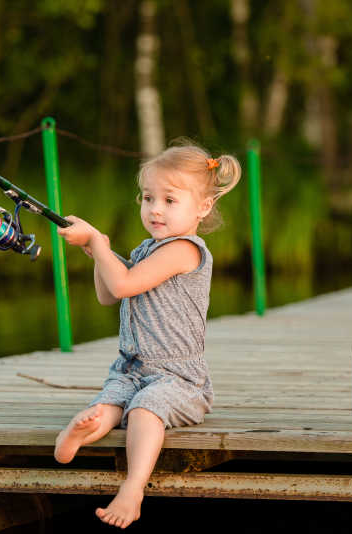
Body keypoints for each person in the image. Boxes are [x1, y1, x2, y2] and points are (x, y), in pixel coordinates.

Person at [54, 141, 241, 529]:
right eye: (148, 198)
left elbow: (122, 286)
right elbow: (108, 294)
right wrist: (99, 253)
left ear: (202, 208)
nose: (155, 208)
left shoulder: (185, 250)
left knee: (144, 408)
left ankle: (133, 487)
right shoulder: (145, 250)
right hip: (132, 369)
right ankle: (80, 430)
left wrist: (98, 245)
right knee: (112, 402)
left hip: (180, 379)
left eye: (169, 200)